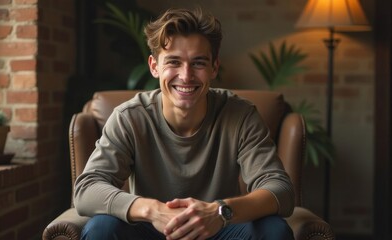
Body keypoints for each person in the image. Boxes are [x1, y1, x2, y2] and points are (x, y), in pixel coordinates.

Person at [74, 7, 295, 240]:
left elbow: (281, 190)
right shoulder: (130, 117)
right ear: (154, 66)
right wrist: (152, 210)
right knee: (101, 228)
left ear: (214, 67)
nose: (186, 75)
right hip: (152, 230)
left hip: (218, 230)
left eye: (198, 63)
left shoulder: (240, 115)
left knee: (274, 230)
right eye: (174, 62)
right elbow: (87, 189)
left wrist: (220, 211)